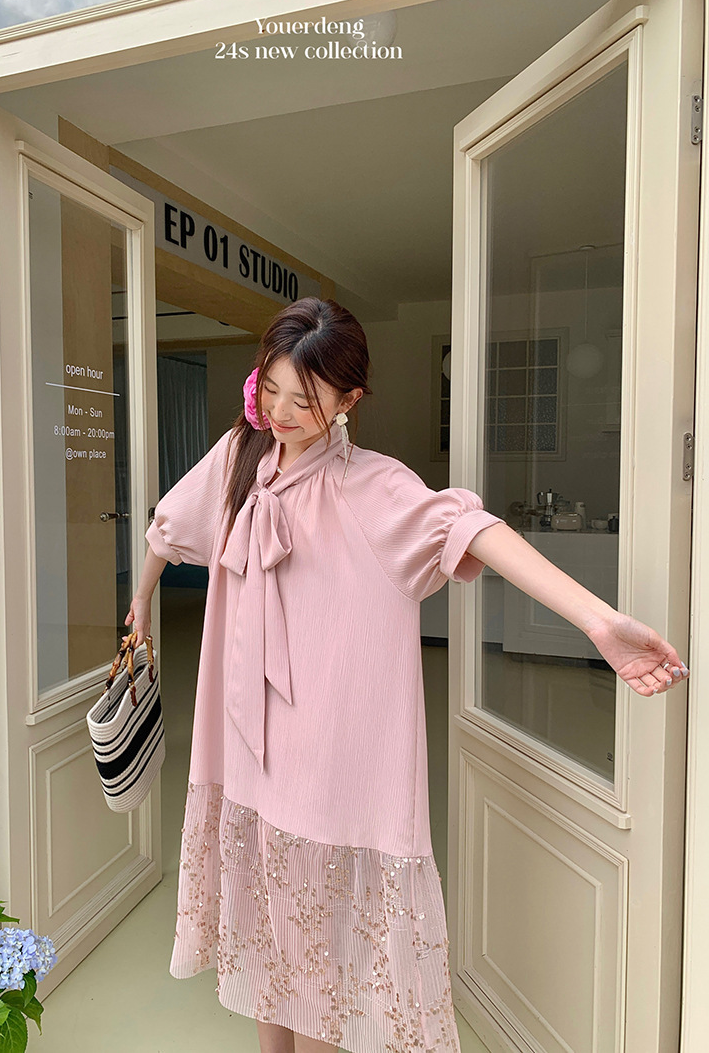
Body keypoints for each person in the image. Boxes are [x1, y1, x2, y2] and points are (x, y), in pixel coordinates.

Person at [126, 297, 688, 1053]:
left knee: (316, 960)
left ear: (348, 399)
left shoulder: (373, 486)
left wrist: (597, 620)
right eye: (273, 388)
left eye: (305, 400)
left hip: (327, 757)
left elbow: (474, 531)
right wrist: (141, 598)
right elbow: (169, 523)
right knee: (264, 931)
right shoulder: (242, 454)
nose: (282, 413)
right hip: (246, 742)